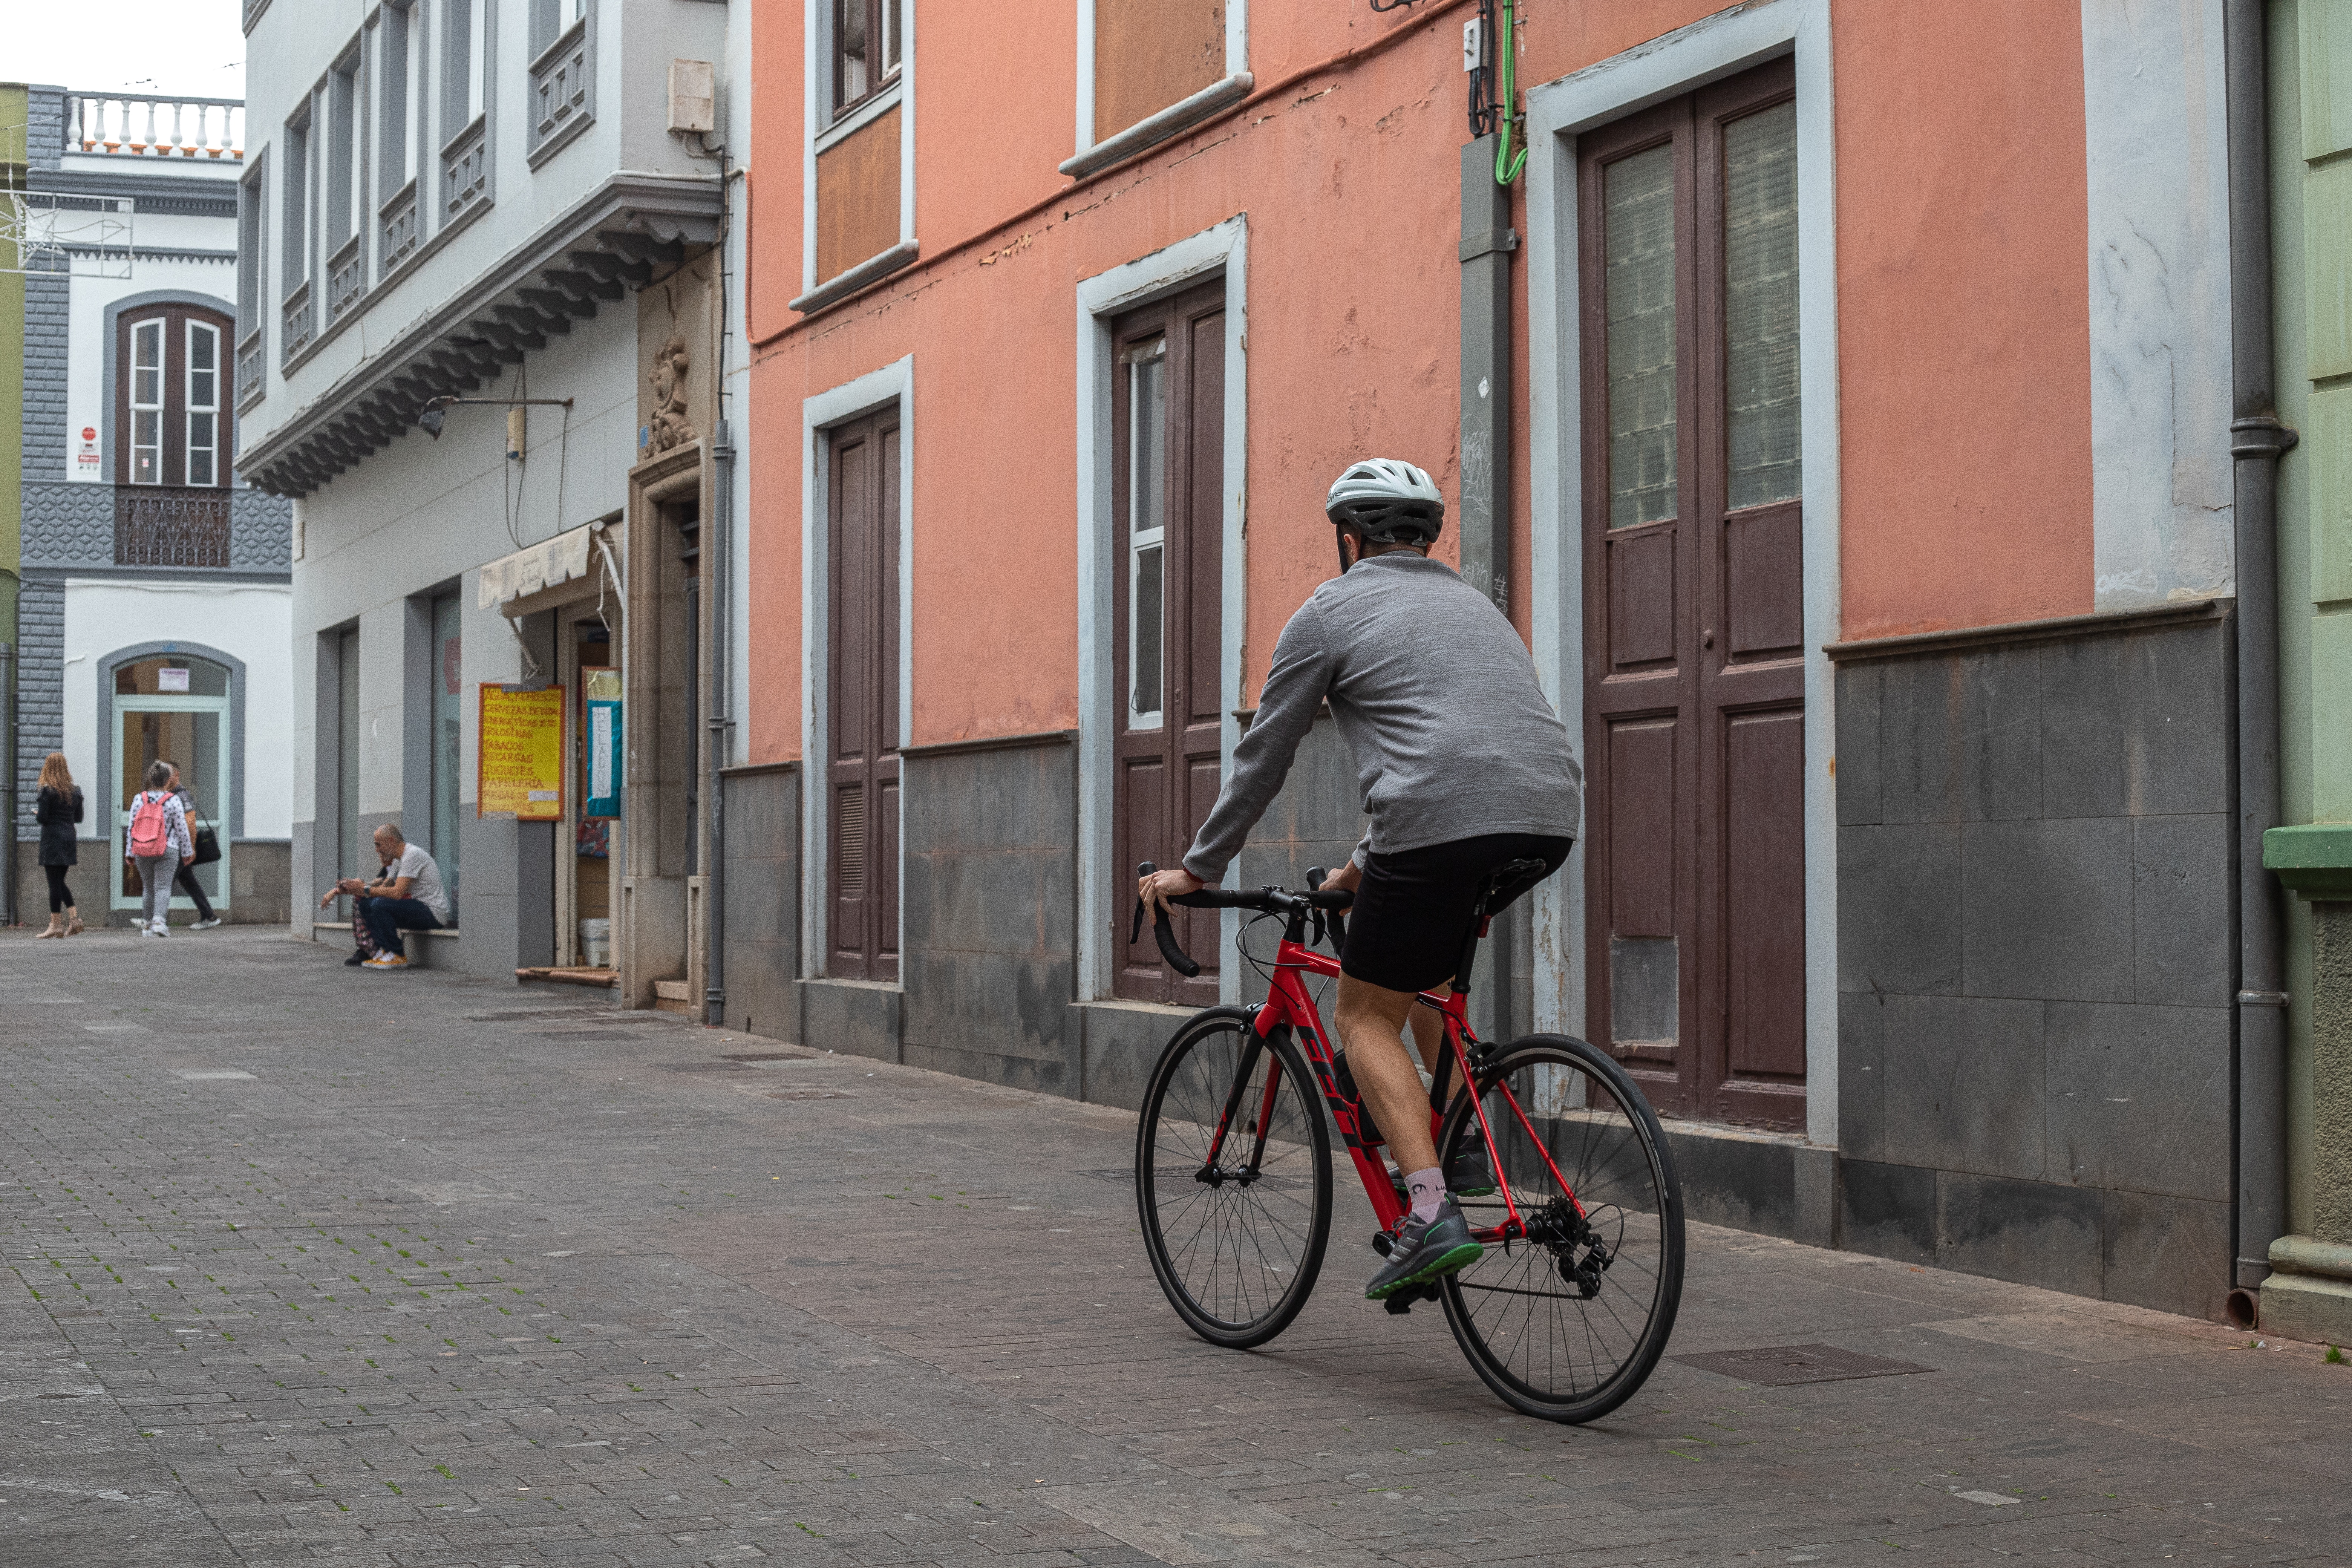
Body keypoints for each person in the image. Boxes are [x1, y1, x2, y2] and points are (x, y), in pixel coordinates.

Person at [1138, 458, 1583, 1302]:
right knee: (1427, 985)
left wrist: (1199, 867)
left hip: (1440, 823)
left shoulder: (1329, 611)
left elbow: (1264, 756)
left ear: (1350, 541)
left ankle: (1429, 1214)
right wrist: (1356, 870)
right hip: (1549, 817)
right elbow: (1454, 750)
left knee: (1361, 1013)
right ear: (1426, 540)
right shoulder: (1476, 605)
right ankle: (1463, 1145)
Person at [317, 824, 448, 970]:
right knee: (368, 903)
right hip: (419, 909)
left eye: (379, 845)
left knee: (379, 904)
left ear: (391, 841)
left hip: (433, 914)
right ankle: (384, 950)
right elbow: (383, 889)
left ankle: (397, 954)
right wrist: (351, 890)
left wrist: (364, 889)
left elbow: (397, 893)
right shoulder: (399, 859)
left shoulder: (412, 855)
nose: (377, 850)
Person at [127, 760, 194, 938]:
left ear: (150, 779)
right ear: (168, 780)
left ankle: (147, 925)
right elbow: (182, 829)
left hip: (143, 849)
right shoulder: (173, 800)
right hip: (168, 850)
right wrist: (188, 852)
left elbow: (131, 827)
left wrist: (130, 852)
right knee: (163, 887)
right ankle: (159, 922)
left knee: (148, 888)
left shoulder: (139, 799)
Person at [33, 752, 85, 939]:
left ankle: (56, 925)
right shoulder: (76, 791)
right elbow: (78, 818)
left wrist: (37, 813)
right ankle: (75, 920)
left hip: (52, 840)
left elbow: (43, 818)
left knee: (54, 884)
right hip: (69, 838)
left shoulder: (47, 791)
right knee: (60, 882)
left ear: (48, 768)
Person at [164, 763, 222, 929]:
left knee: (163, 882)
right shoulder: (169, 796)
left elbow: (191, 824)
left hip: (181, 850)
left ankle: (152, 919)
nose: (165, 777)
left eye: (168, 773)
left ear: (177, 775)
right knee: (189, 882)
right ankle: (209, 917)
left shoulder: (182, 796)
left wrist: (190, 849)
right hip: (179, 849)